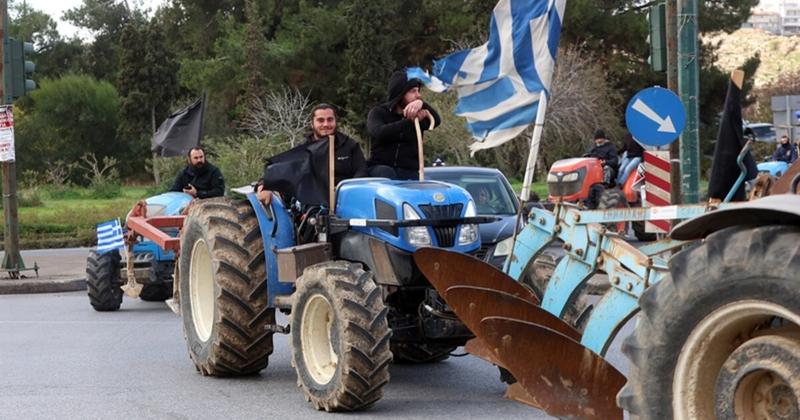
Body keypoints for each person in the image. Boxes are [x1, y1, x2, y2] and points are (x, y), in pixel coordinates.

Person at [256, 104, 367, 206]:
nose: (326, 124)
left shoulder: (349, 145)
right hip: (312, 202)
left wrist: (347, 191)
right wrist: (265, 186)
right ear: (312, 123)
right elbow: (281, 168)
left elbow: (361, 171)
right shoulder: (304, 148)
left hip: (345, 200)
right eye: (320, 120)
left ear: (335, 121)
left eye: (330, 120)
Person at [366, 70, 442, 180]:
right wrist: (408, 122)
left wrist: (423, 104)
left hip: (408, 171)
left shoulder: (419, 115)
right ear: (400, 93)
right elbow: (379, 132)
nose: (418, 95)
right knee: (386, 173)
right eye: (413, 91)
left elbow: (436, 121)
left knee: (425, 184)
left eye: (418, 91)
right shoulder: (378, 112)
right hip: (380, 168)